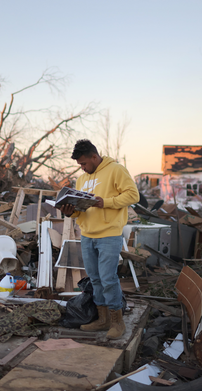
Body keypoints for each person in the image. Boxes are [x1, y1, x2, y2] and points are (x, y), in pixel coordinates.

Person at [58, 139, 139, 339]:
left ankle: (117, 323)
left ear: (94, 157)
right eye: (80, 165)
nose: (83, 168)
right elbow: (81, 211)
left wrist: (107, 202)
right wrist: (71, 213)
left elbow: (133, 195)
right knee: (95, 280)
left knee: (108, 278)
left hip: (109, 235)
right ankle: (102, 320)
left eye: (84, 164)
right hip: (87, 235)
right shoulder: (81, 180)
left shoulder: (116, 170)